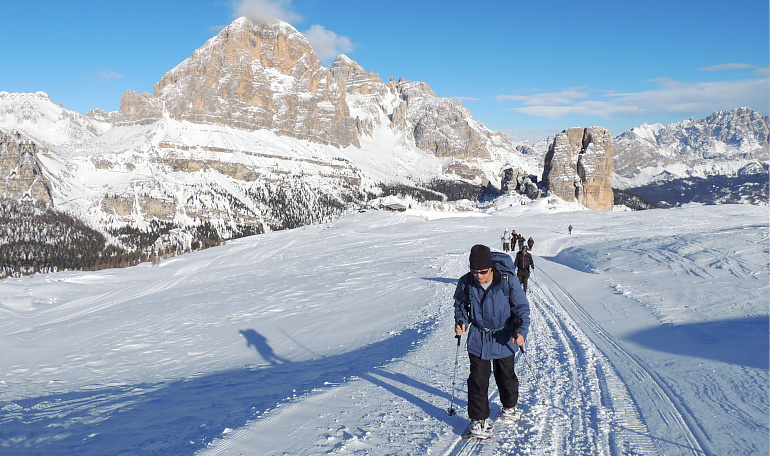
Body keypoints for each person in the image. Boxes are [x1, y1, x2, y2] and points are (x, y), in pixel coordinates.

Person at [454, 244, 531, 438]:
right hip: (479, 337)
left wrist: (521, 331)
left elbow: (522, 308)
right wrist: (461, 321)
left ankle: (509, 407)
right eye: (474, 271)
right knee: (478, 380)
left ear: (491, 268)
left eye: (483, 271)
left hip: (504, 336)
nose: (478, 275)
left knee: (506, 376)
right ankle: (479, 420)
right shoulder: (466, 282)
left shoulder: (507, 280)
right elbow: (461, 304)